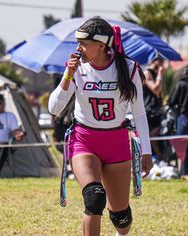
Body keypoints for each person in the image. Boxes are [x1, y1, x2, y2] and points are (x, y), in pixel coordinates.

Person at [48, 17, 153, 236]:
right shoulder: (76, 69)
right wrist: (67, 75)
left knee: (121, 217)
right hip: (84, 140)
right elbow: (54, 109)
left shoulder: (129, 68)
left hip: (116, 142)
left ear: (102, 45)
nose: (79, 48)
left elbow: (140, 112)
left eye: (84, 43)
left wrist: (146, 151)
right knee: (94, 198)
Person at [143, 57, 165, 162]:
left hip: (158, 111)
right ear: (153, 61)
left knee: (160, 136)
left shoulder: (157, 74)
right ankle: (155, 156)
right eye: (160, 61)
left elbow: (161, 93)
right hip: (149, 111)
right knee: (152, 136)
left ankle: (160, 157)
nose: (162, 64)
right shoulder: (147, 73)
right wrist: (160, 74)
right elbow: (156, 90)